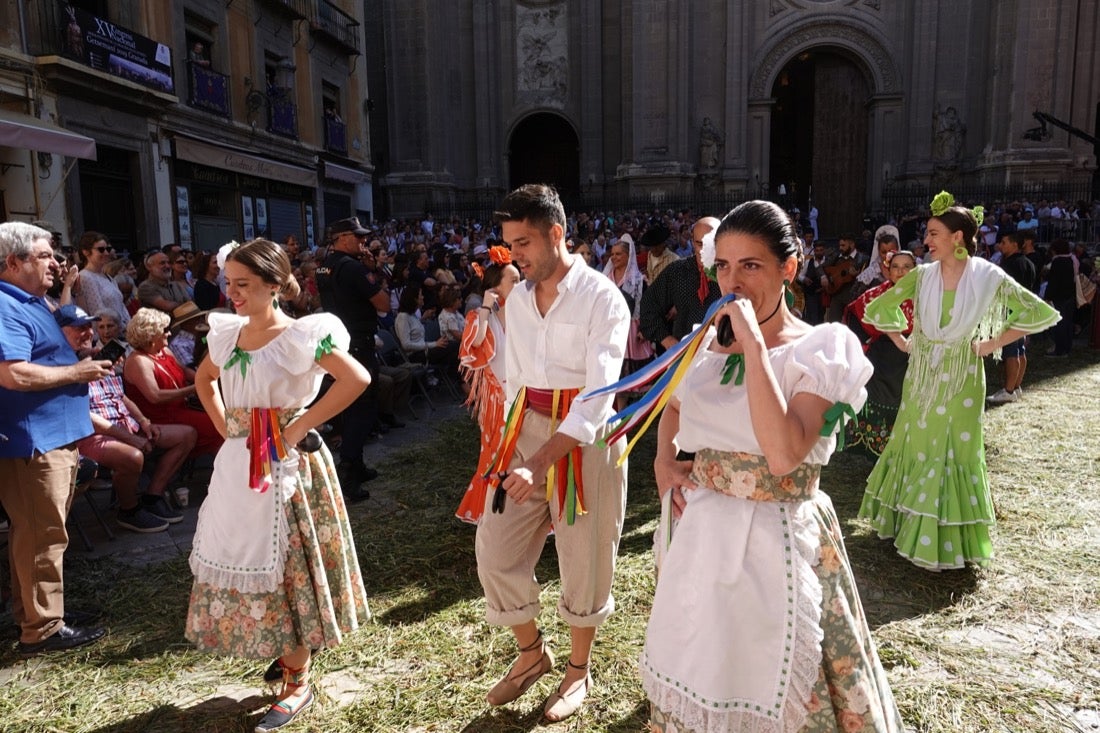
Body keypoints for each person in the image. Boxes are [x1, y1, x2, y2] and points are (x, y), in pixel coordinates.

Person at [642, 200, 902, 732]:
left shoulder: (822, 348)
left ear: (788, 267)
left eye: (751, 265)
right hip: (705, 537)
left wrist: (755, 349)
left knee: (782, 680)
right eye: (723, 266)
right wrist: (665, 463)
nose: (732, 282)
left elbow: (785, 455)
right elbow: (673, 406)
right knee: (707, 664)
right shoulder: (708, 346)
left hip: (781, 537)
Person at [186, 238, 371, 732]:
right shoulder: (227, 334)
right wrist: (227, 423)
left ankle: (297, 675)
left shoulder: (302, 335)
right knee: (248, 554)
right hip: (241, 464)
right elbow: (204, 379)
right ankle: (286, 654)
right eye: (229, 284)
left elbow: (356, 379)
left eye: (243, 285)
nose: (234, 294)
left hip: (287, 465)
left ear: (273, 285)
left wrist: (292, 429)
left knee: (290, 565)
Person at [475, 184, 629, 722]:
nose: (513, 255)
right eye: (509, 245)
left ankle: (578, 670)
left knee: (584, 558)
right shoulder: (518, 298)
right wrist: (510, 442)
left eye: (522, 243)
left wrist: (539, 460)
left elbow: (597, 397)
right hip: (529, 433)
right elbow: (515, 376)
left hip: (588, 442)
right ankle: (530, 654)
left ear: (556, 234)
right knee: (494, 549)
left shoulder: (603, 297)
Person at [859, 192, 1060, 570]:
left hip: (963, 376)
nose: (926, 241)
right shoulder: (921, 275)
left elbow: (1037, 311)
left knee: (953, 449)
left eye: (934, 234)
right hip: (922, 373)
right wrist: (904, 339)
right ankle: (908, 526)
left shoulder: (988, 276)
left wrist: (992, 343)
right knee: (916, 441)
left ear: (957, 237)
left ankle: (946, 541)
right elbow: (877, 306)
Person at [0, 221, 109, 655]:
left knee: (43, 534)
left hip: (52, 436)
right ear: (13, 262)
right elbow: (12, 373)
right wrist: (76, 371)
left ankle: (40, 613)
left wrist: (74, 350)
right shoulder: (5, 305)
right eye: (45, 255)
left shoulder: (31, 301)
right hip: (33, 442)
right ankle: (40, 630)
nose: (56, 262)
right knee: (40, 535)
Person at [56, 304, 196, 533]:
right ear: (60, 332)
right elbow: (85, 416)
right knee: (133, 456)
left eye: (88, 326)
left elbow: (120, 396)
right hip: (92, 434)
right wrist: (131, 439)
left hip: (125, 425)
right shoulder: (60, 366)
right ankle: (129, 510)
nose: (89, 332)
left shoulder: (95, 356)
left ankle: (152, 496)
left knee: (186, 434)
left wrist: (144, 422)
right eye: (78, 328)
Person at [316, 217, 390, 499]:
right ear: (342, 237)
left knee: (353, 407)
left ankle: (356, 464)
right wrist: (374, 273)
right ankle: (348, 472)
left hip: (338, 342)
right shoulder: (353, 268)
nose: (363, 242)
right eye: (357, 237)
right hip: (358, 342)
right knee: (363, 408)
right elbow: (383, 305)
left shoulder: (324, 266)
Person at [455, 246, 521, 524]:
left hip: (522, 394)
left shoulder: (522, 313)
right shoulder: (479, 318)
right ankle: (493, 513)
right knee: (497, 455)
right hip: (497, 400)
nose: (520, 285)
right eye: (514, 281)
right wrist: (485, 307)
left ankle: (521, 513)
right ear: (495, 287)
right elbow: (477, 342)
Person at [843, 250, 918, 454]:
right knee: (876, 396)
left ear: (915, 270)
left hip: (912, 357)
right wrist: (864, 345)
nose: (901, 271)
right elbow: (854, 314)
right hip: (881, 356)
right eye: (895, 267)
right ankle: (869, 441)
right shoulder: (877, 294)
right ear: (888, 270)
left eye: (906, 267)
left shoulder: (925, 295)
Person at [123, 307, 223, 459]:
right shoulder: (138, 361)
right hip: (159, 417)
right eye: (165, 330)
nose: (169, 333)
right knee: (217, 425)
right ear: (151, 334)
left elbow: (184, 371)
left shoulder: (164, 351)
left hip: (180, 409)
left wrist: (208, 377)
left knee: (221, 419)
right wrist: (194, 388)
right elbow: (155, 396)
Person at [639, 216, 722, 353]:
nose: (704, 250)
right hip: (684, 358)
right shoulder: (677, 272)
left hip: (726, 359)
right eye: (699, 244)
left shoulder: (733, 273)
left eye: (710, 243)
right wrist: (667, 340)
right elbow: (648, 306)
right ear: (692, 243)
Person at [602, 232, 653, 409]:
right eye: (612, 254)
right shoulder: (605, 278)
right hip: (609, 328)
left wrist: (644, 329)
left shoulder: (638, 281)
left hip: (631, 330)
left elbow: (646, 307)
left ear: (628, 255)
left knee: (628, 373)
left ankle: (627, 411)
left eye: (619, 254)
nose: (614, 257)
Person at [987, 233, 1037, 403]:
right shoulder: (1029, 263)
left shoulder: (1009, 264)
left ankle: (1009, 390)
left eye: (1004, 242)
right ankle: (1015, 387)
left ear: (1015, 245)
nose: (1000, 245)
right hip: (1023, 310)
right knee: (1019, 350)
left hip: (1009, 312)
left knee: (1011, 351)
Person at [75, 231, 129, 327]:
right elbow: (98, 311)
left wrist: (130, 327)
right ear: (86, 252)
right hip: (106, 334)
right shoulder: (86, 277)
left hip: (121, 331)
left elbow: (121, 306)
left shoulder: (108, 277)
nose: (106, 253)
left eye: (108, 249)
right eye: (101, 250)